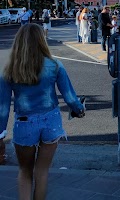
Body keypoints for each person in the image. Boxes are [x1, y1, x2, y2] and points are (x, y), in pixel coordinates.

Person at [0, 24, 85, 200]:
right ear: (41, 40)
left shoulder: (9, 70)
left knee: (25, 171)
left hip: (24, 122)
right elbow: (69, 97)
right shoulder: (55, 65)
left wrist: (0, 133)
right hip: (51, 121)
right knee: (42, 171)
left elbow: (3, 106)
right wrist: (79, 110)